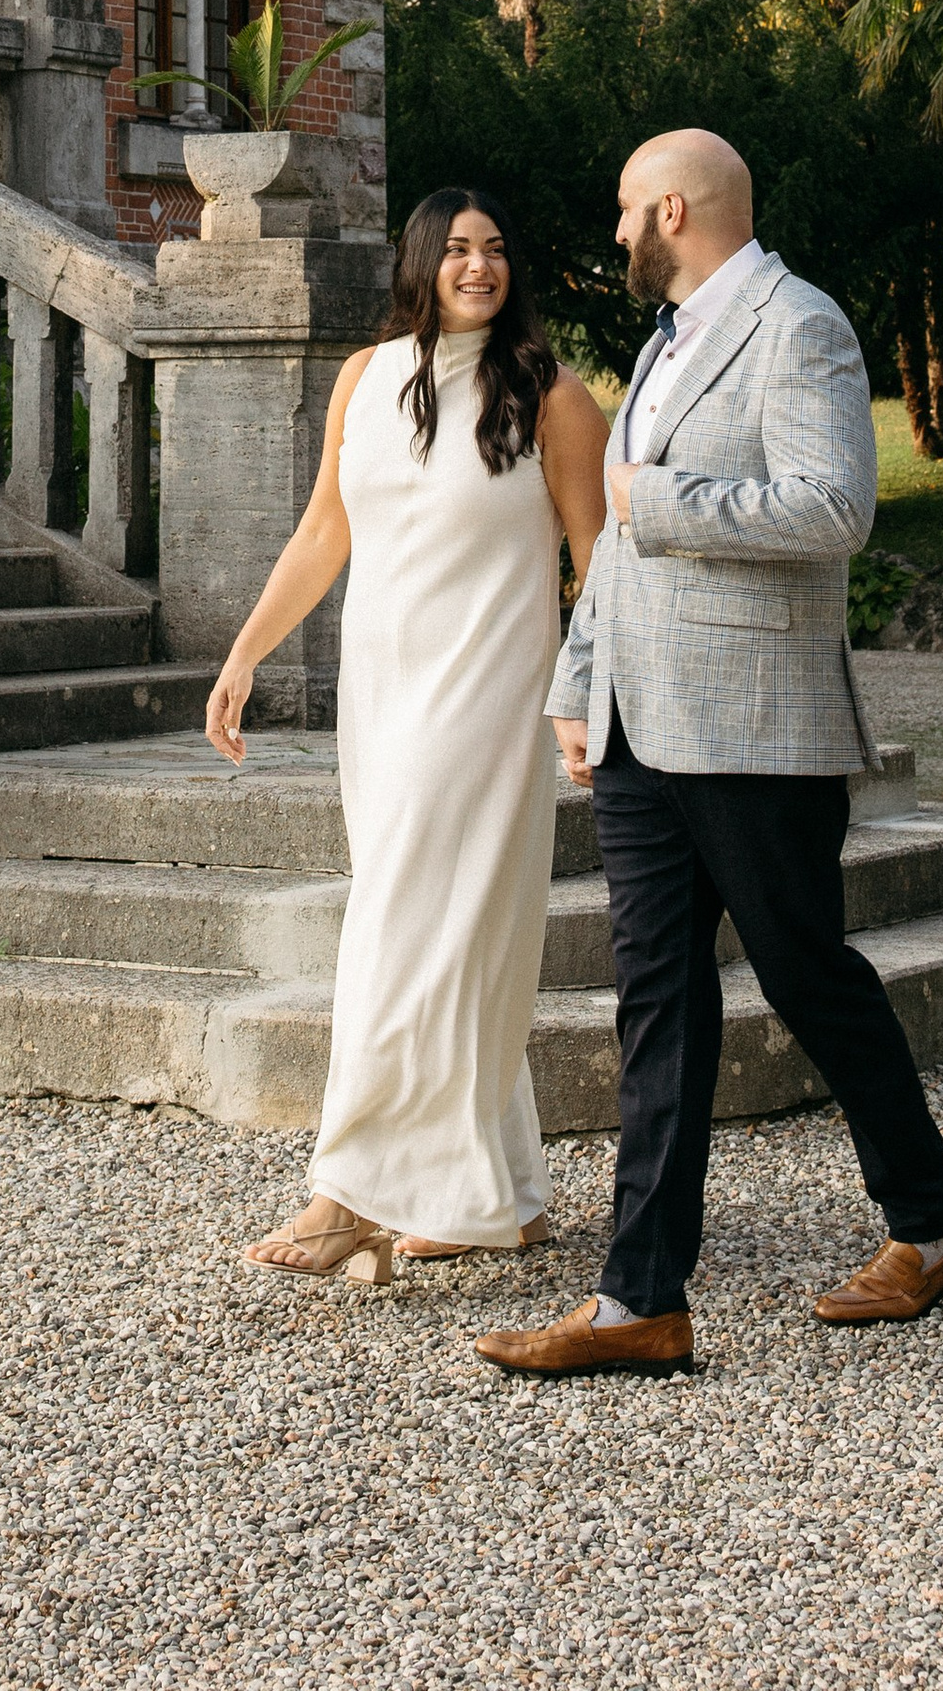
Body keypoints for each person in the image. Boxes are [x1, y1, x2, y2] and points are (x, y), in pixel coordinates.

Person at [475, 128, 943, 1378]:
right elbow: (614, 547)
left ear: (671, 211)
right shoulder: (661, 344)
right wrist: (578, 681)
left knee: (807, 978)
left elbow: (834, 508)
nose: (612, 232)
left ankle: (932, 1225)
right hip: (638, 726)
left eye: (622, 210)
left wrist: (663, 503)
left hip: (757, 726)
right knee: (655, 1001)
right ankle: (639, 1299)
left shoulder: (799, 325)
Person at [206, 186, 611, 1282]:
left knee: (398, 931)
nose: (480, 266)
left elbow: (596, 566)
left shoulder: (552, 396)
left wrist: (589, 700)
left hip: (486, 699)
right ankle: (499, 1196)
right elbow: (322, 533)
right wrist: (244, 654)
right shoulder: (364, 377)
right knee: (451, 933)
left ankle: (346, 1194)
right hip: (379, 698)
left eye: (496, 249)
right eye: (459, 249)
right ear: (422, 263)